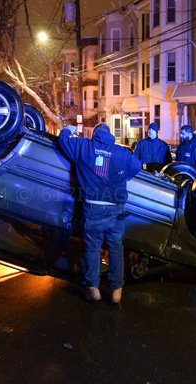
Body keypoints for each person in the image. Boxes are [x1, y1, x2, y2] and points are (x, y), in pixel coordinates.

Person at [58, 123, 142, 303]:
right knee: (116, 248)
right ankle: (116, 290)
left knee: (93, 247)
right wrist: (122, 177)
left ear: (95, 134)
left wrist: (68, 130)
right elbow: (137, 166)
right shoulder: (122, 152)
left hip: (93, 205)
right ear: (110, 135)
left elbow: (63, 141)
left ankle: (92, 288)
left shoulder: (83, 146)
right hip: (116, 207)